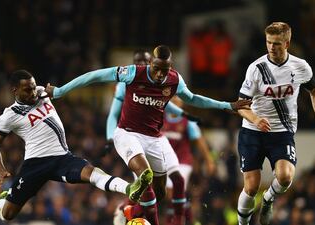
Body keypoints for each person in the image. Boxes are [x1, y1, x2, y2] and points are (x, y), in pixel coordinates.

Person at [45, 45, 251, 225]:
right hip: (127, 134)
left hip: (154, 139)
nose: (160, 75)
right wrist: (61, 91)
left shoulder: (174, 80)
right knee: (145, 175)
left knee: (159, 193)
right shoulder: (133, 73)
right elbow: (95, 76)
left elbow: (194, 99)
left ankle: (131, 211)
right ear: (150, 63)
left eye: (165, 70)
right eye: (156, 69)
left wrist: (228, 105)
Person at [0, 70, 152, 221]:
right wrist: (0, 169)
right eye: (27, 90)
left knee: (91, 173)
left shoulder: (41, 92)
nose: (33, 92)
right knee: (8, 214)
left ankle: (129, 188)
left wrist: (58, 91)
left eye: (33, 87)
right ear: (14, 90)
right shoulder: (9, 116)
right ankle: (1, 202)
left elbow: (58, 91)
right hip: (35, 163)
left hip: (62, 157)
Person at [236, 22, 315, 225]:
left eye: (277, 43)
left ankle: (268, 199)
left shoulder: (300, 66)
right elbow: (240, 105)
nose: (272, 47)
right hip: (253, 131)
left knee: (286, 177)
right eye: (269, 42)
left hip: (281, 132)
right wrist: (255, 119)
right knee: (252, 186)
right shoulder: (256, 68)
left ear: (287, 43)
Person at [106, 49, 198, 225]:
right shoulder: (126, 81)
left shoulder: (158, 78)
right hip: (132, 138)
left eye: (145, 61)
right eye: (137, 61)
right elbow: (113, 113)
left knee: (169, 185)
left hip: (156, 138)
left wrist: (184, 114)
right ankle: (129, 210)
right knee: (145, 191)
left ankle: (129, 210)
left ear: (151, 63)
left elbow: (166, 106)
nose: (141, 65)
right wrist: (110, 138)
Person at [162, 96, 216, 225]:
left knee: (172, 192)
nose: (175, 101)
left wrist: (209, 160)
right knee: (171, 195)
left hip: (182, 162)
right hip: (164, 163)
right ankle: (188, 218)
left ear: (182, 103)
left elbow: (199, 140)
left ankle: (176, 221)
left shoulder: (187, 120)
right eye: (173, 98)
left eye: (178, 99)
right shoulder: (160, 118)